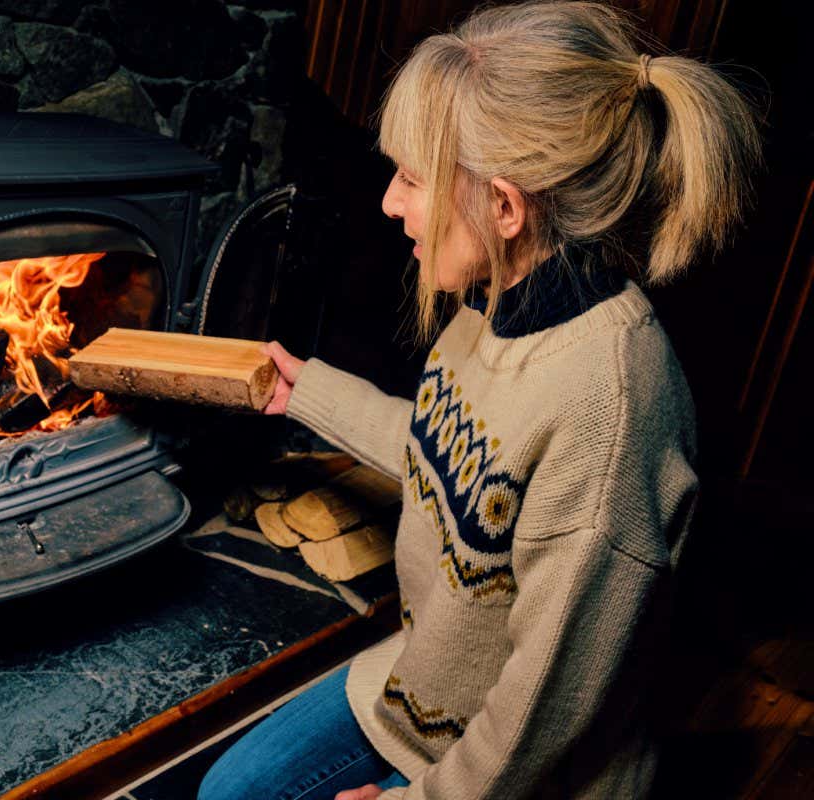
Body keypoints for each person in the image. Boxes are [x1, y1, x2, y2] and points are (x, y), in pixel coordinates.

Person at [197, 2, 762, 798]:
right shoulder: (491, 304)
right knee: (228, 790)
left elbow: (548, 708)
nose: (391, 204)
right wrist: (305, 392)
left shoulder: (612, 409)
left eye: (413, 179)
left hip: (522, 771)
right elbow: (452, 464)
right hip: (421, 694)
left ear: (504, 206)